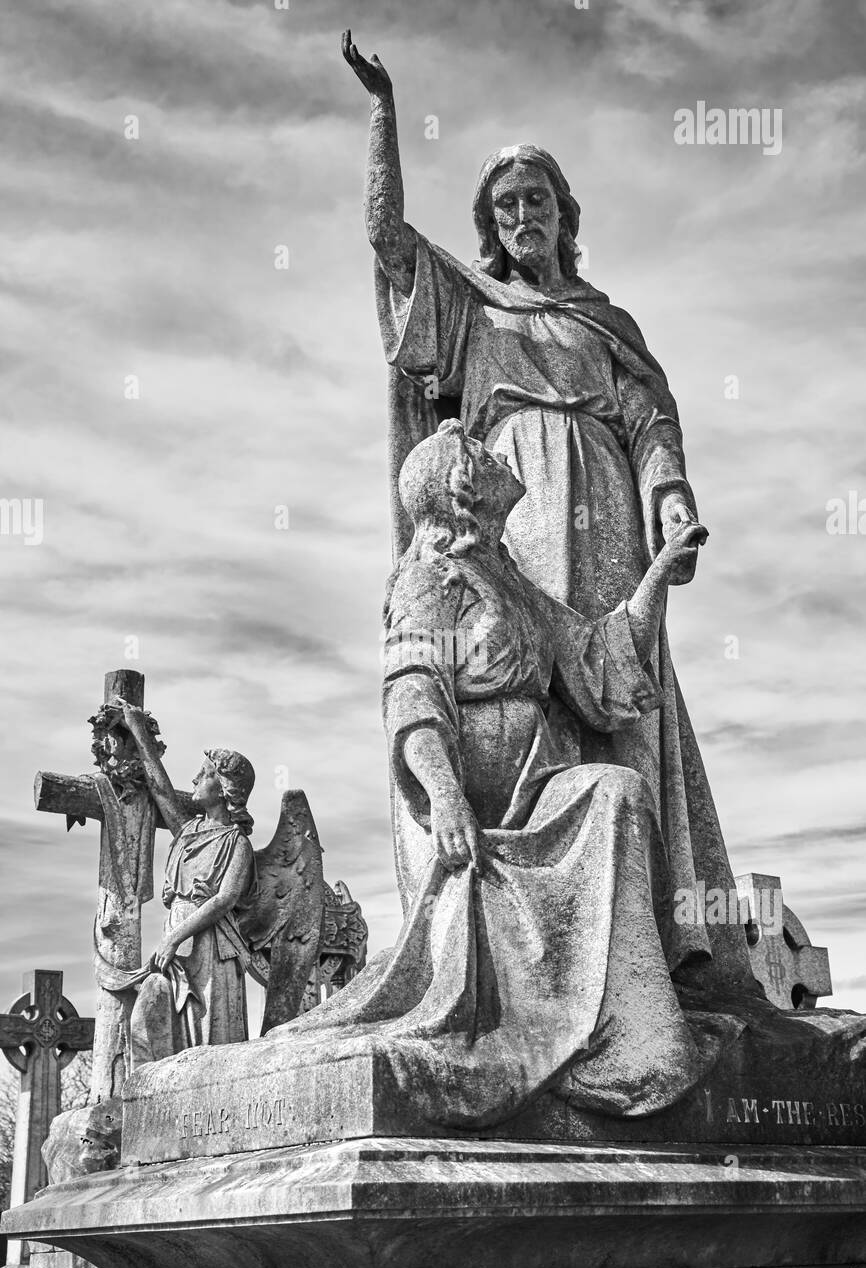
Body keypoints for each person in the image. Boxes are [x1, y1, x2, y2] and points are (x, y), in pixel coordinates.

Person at [341, 31, 756, 991]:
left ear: (565, 216)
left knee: (616, 689)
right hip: (510, 509)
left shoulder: (607, 320)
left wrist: (671, 498)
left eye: (538, 200)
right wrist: (384, 116)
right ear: (490, 222)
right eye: (506, 204)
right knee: (519, 680)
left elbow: (651, 418)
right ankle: (536, 947)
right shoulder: (471, 304)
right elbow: (386, 242)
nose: (523, 214)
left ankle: (646, 946)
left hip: (607, 502)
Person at [271, 422, 734, 1130]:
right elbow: (413, 690)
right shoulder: (431, 575)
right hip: (479, 806)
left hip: (539, 787)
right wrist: (446, 792)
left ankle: (636, 1039)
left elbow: (594, 657)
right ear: (462, 489)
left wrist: (656, 576)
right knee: (607, 798)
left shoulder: (507, 578)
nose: (495, 453)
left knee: (618, 792)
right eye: (479, 454)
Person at [112, 709, 256, 1065]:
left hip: (209, 948)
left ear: (224, 788)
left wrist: (175, 938)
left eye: (204, 774)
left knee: (207, 1044)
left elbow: (224, 900)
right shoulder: (188, 830)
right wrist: (138, 731)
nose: (194, 778)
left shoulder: (236, 842)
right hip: (175, 938)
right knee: (154, 1018)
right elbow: (159, 788)